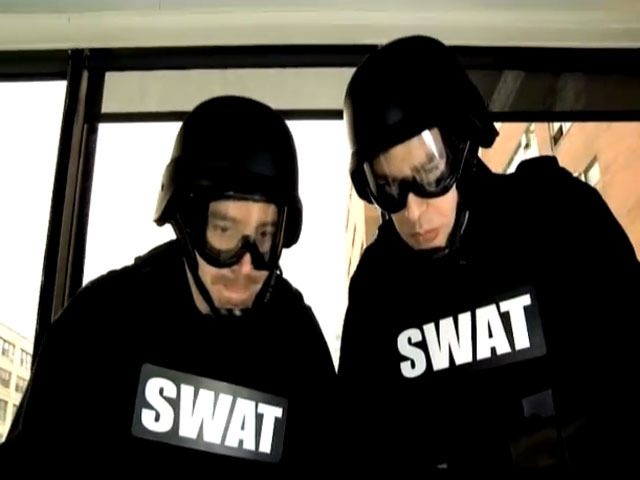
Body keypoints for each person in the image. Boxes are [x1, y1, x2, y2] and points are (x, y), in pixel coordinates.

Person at [337, 35, 639, 475]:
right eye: (389, 187)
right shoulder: (377, 289)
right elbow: (357, 450)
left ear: (463, 143)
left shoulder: (558, 217)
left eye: (429, 172)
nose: (414, 211)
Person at [2, 96, 336, 475]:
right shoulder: (99, 324)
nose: (245, 264)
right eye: (224, 231)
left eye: (263, 236)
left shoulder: (297, 342)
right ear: (186, 222)